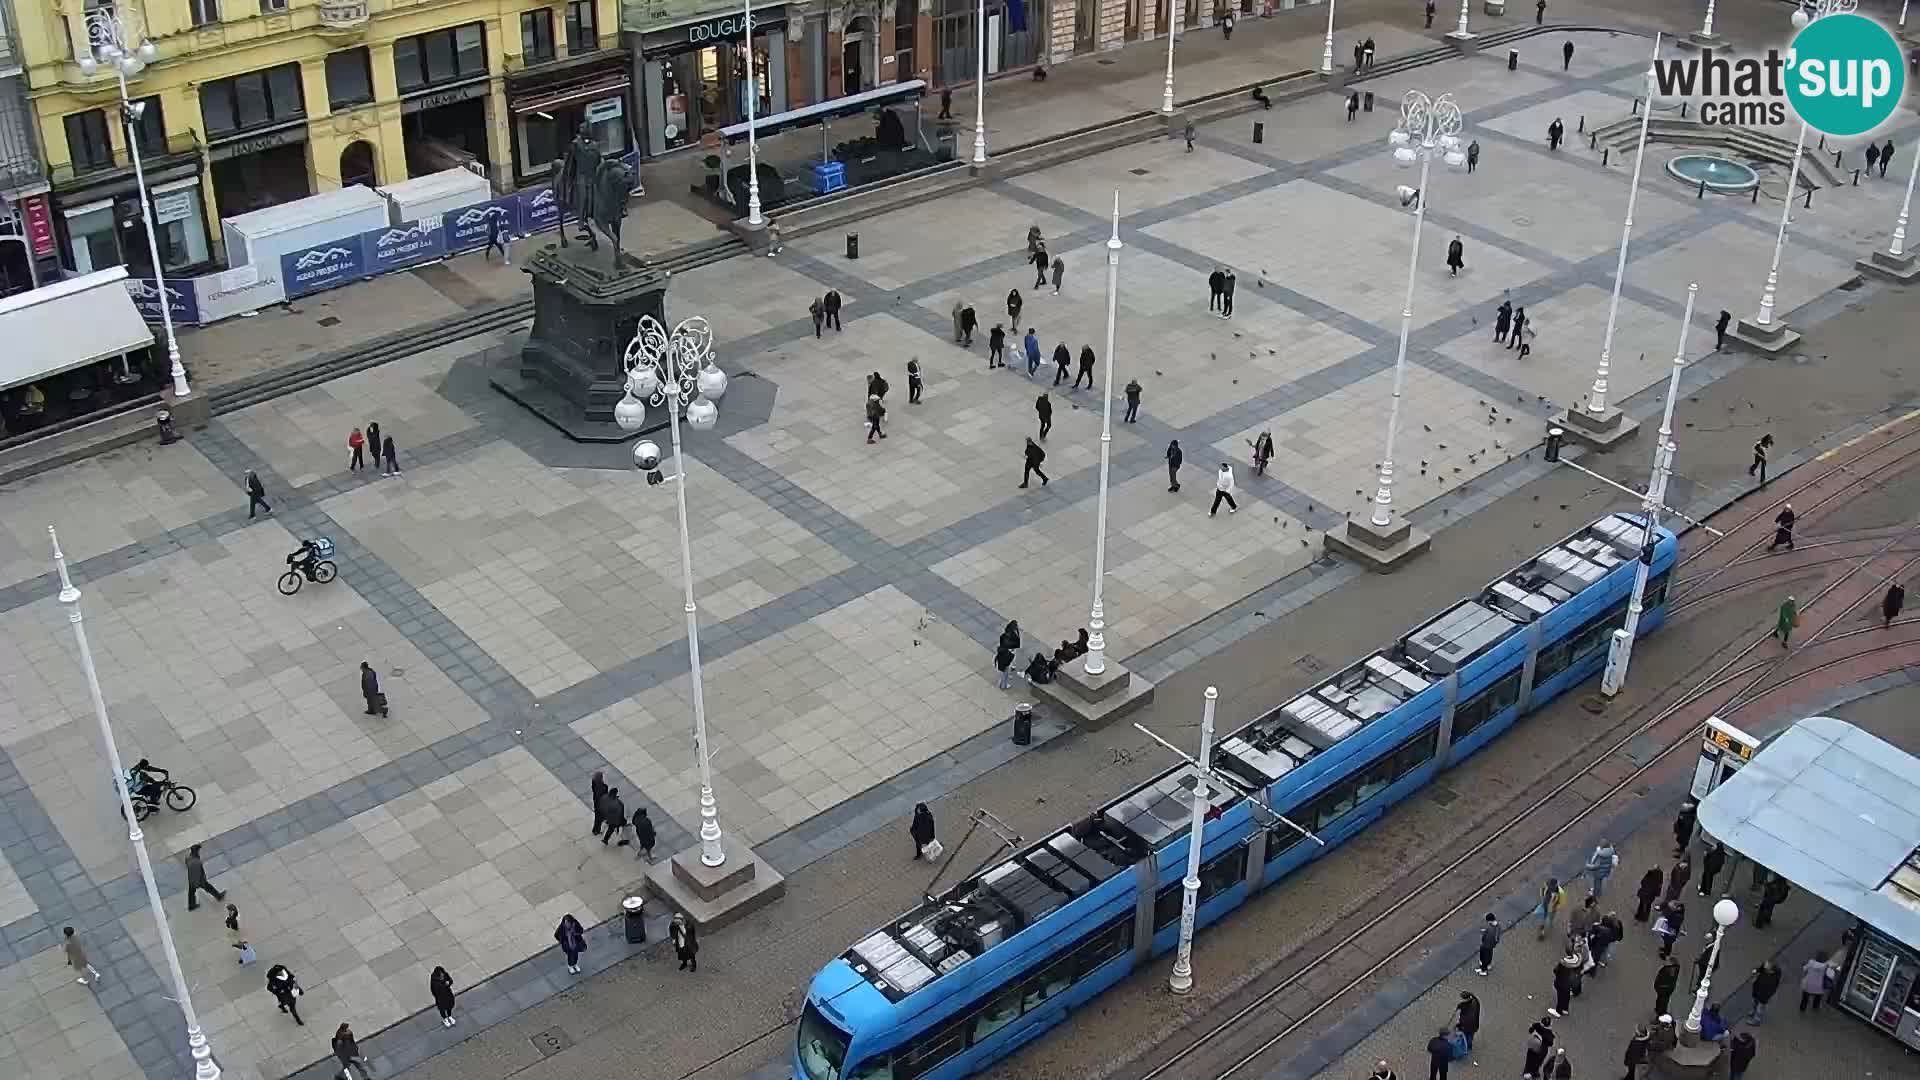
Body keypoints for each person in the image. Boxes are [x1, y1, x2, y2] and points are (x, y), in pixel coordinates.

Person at [185, 843, 225, 910]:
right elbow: (199, 872)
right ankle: (219, 897)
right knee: (208, 887)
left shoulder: (188, 858)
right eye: (198, 850)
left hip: (191, 878)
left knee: (191, 892)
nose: (199, 851)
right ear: (195, 851)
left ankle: (191, 905)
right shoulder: (196, 861)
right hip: (198, 880)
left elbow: (189, 866)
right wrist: (200, 881)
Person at [1550, 948, 1579, 1016]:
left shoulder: (1563, 965)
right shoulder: (1576, 963)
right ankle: (1565, 1009)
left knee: (1560, 998)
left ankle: (1559, 1011)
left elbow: (1555, 971)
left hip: (1561, 984)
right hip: (1569, 984)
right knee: (1566, 996)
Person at [590, 770, 609, 838]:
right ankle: (596, 830)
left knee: (597, 817)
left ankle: (596, 830)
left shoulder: (594, 783)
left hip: (597, 803)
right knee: (599, 818)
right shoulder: (603, 787)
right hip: (600, 805)